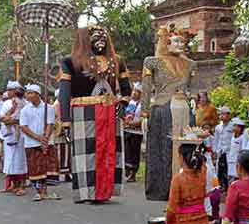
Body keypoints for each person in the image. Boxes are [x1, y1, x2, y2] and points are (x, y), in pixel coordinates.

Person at [57, 25, 131, 203]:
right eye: (94, 36)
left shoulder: (117, 61)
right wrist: (65, 121)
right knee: (87, 153)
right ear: (84, 39)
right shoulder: (70, 61)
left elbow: (127, 91)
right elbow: (64, 93)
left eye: (102, 36)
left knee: (109, 151)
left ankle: (107, 190)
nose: (99, 40)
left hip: (110, 115)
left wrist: (118, 111)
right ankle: (87, 192)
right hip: (83, 113)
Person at [141, 26, 196, 201]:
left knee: (186, 148)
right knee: (163, 149)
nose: (181, 44)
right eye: (177, 41)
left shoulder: (190, 64)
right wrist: (144, 112)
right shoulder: (152, 62)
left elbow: (190, 88)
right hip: (162, 109)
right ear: (167, 41)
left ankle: (186, 186)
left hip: (185, 109)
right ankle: (163, 188)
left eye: (183, 41)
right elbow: (146, 89)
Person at [157, 140, 209, 224]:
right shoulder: (202, 173)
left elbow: (171, 209)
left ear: (181, 157)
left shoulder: (178, 179)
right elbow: (203, 165)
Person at [20, 84, 61, 202]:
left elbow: (50, 124)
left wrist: (45, 138)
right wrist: (38, 138)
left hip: (47, 142)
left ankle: (45, 191)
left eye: (31, 93)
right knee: (35, 168)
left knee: (47, 167)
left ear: (38, 94)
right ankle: (39, 191)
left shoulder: (49, 108)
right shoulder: (24, 110)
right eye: (27, 93)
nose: (28, 96)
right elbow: (24, 127)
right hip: (31, 143)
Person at [0, 81, 28, 196]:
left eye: (11, 90)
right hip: (8, 134)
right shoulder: (6, 103)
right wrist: (7, 119)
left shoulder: (24, 103)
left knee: (19, 160)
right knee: (10, 160)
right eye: (8, 90)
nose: (9, 92)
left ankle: (21, 185)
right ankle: (13, 185)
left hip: (21, 135)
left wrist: (13, 120)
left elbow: (24, 119)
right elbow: (1, 116)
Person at [123, 82, 143, 183]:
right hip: (127, 130)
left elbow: (142, 119)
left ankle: (133, 173)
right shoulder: (130, 103)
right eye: (134, 91)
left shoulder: (142, 105)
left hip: (137, 133)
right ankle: (127, 169)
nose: (134, 93)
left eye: (137, 92)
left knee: (134, 153)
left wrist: (133, 123)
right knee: (127, 151)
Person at [213, 106, 233, 191]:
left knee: (228, 171)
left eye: (223, 114)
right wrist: (215, 151)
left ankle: (229, 188)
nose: (221, 116)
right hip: (220, 151)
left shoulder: (232, 126)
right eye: (221, 114)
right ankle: (220, 187)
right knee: (219, 170)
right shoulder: (218, 127)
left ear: (228, 116)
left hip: (229, 152)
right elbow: (216, 139)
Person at [226, 117, 249, 185]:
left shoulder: (243, 137)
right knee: (230, 178)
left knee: (237, 179)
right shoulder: (233, 136)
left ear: (239, 128)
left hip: (237, 161)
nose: (233, 127)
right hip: (231, 160)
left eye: (235, 126)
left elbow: (243, 149)